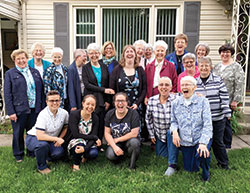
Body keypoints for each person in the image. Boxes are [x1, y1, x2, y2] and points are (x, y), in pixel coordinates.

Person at [168, 76, 213, 181]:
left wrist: (203, 143)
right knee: (191, 169)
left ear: (194, 87)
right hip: (186, 141)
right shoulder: (175, 103)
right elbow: (173, 121)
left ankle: (206, 173)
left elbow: (208, 124)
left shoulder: (203, 102)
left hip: (200, 138)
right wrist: (174, 131)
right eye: (182, 85)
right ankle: (197, 160)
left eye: (187, 84)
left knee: (202, 153)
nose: (184, 87)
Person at [4, 49, 45, 162]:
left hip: (34, 108)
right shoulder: (10, 74)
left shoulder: (34, 72)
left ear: (27, 59)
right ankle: (18, 154)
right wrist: (11, 112)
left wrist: (41, 108)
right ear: (14, 60)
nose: (21, 61)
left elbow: (41, 91)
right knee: (18, 132)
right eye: (18, 59)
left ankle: (31, 152)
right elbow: (7, 94)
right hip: (19, 109)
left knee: (32, 132)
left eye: (23, 58)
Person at [196, 56, 231, 169]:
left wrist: (227, 112)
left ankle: (223, 164)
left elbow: (224, 97)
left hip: (217, 118)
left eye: (206, 65)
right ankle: (203, 163)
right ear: (198, 67)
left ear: (210, 67)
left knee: (217, 142)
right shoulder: (195, 82)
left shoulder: (218, 80)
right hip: (203, 120)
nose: (204, 68)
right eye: (202, 65)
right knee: (204, 141)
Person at [25, 90, 68, 174]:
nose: (55, 103)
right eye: (52, 101)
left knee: (58, 153)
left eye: (57, 100)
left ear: (60, 101)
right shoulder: (43, 114)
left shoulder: (64, 113)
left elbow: (66, 127)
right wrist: (56, 138)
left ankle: (44, 156)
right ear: (47, 102)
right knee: (42, 145)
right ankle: (42, 167)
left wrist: (60, 138)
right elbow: (40, 136)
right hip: (34, 137)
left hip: (50, 139)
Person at [82, 43, 115, 150]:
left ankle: (99, 142)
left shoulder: (104, 67)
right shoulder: (86, 67)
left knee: (101, 122)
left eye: (96, 53)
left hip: (103, 100)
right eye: (91, 53)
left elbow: (107, 85)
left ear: (99, 54)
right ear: (88, 55)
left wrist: (108, 100)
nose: (94, 55)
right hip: (91, 99)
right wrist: (104, 90)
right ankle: (89, 142)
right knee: (91, 121)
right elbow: (87, 85)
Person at [213, 44, 245, 148]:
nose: (225, 54)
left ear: (231, 53)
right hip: (216, 99)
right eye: (223, 52)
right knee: (218, 122)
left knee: (226, 122)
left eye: (227, 52)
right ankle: (217, 143)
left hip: (228, 100)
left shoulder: (236, 67)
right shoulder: (217, 66)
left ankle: (227, 145)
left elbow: (239, 84)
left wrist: (235, 100)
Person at [145, 77, 178, 162]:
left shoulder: (177, 99)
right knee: (162, 156)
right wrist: (152, 134)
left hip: (174, 133)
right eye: (161, 85)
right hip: (160, 134)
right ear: (158, 87)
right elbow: (148, 119)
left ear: (171, 87)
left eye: (167, 85)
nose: (164, 87)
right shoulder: (152, 100)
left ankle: (173, 159)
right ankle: (171, 149)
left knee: (173, 153)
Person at [105, 92, 140, 169]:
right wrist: (114, 147)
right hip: (116, 143)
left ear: (127, 103)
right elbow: (107, 133)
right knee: (110, 155)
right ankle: (121, 156)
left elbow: (134, 133)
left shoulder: (133, 113)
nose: (120, 103)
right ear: (114, 103)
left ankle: (132, 166)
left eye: (123, 101)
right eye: (117, 101)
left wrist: (117, 139)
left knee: (134, 143)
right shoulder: (109, 114)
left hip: (129, 141)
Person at [66, 95, 101, 171]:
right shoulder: (74, 115)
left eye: (93, 105)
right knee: (79, 146)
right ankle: (76, 164)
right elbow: (76, 134)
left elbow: (94, 134)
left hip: (88, 141)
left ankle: (84, 155)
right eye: (88, 104)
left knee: (93, 153)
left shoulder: (95, 118)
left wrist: (85, 149)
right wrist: (94, 138)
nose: (90, 107)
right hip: (75, 139)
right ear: (83, 103)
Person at [145, 40, 177, 105]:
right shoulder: (148, 66)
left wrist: (172, 95)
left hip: (167, 97)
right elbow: (145, 84)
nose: (160, 53)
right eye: (158, 50)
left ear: (165, 52)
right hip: (151, 96)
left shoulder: (171, 66)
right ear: (154, 52)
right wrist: (146, 96)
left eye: (162, 51)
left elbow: (174, 82)